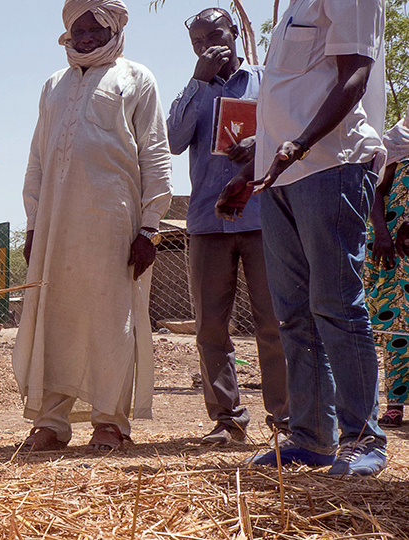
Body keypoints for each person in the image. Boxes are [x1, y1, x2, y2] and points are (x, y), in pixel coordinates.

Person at [218, 0, 388, 477]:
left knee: (336, 305)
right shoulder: (295, 6)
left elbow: (356, 74)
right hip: (282, 178)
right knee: (294, 314)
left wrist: (300, 144)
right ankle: (312, 438)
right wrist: (252, 171)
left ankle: (363, 439)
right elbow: (290, 101)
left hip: (332, 166)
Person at [16, 0, 173, 453]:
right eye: (78, 29)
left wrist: (149, 228)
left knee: (111, 320)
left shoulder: (137, 78)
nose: (85, 37)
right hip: (55, 225)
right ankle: (51, 422)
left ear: (113, 30)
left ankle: (109, 421)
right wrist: (33, 225)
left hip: (114, 222)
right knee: (55, 319)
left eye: (95, 30)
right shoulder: (53, 84)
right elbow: (38, 158)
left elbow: (155, 153)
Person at [166, 7, 289, 446]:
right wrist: (198, 81)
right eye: (197, 42)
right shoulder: (193, 90)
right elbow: (173, 141)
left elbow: (291, 130)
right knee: (211, 329)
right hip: (206, 222)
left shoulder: (266, 81)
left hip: (262, 218)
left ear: (234, 31)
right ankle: (227, 420)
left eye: (214, 36)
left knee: (273, 324)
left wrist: (261, 143)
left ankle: (285, 422)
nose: (207, 47)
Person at [368, 116, 409, 429]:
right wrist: (382, 232)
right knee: (396, 323)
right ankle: (394, 405)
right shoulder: (395, 143)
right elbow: (374, 191)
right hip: (396, 248)